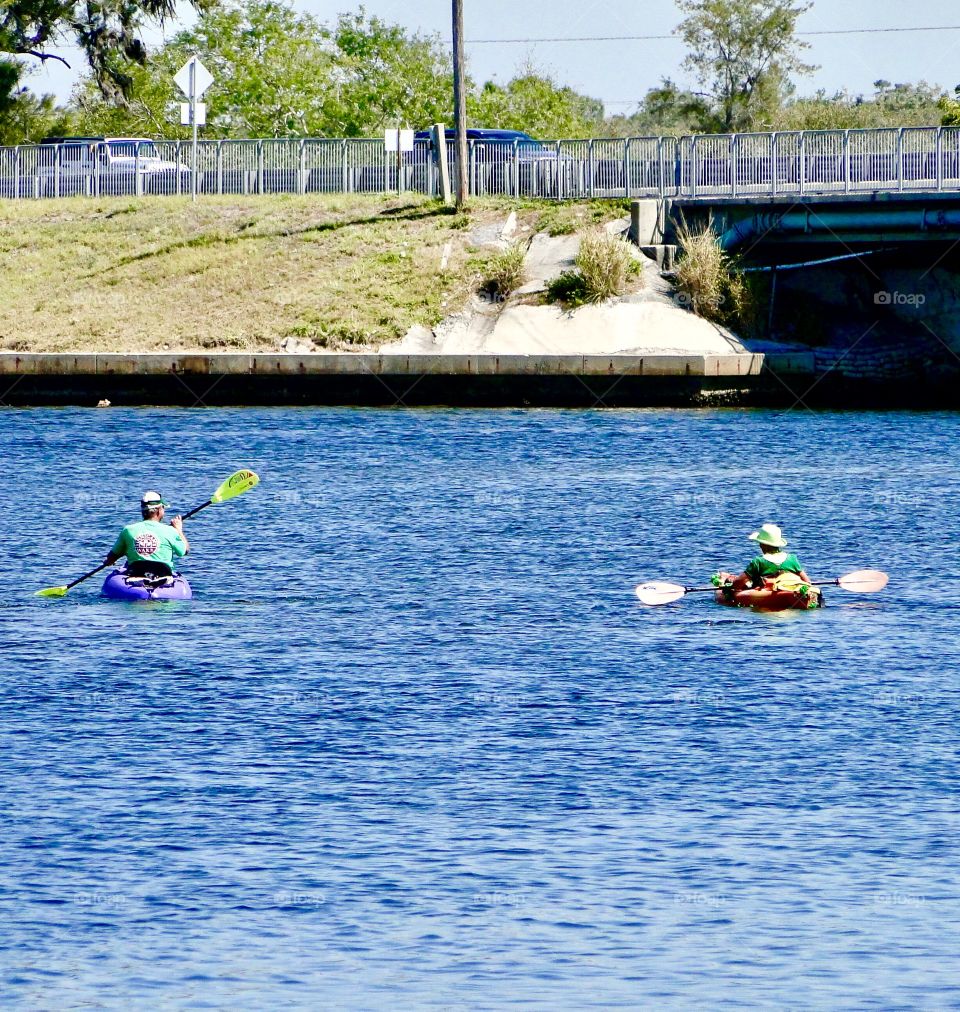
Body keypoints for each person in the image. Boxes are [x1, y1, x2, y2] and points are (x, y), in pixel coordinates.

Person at [105, 491, 190, 578]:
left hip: (136, 574)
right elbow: (184, 551)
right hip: (163, 575)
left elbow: (111, 557)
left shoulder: (128, 530)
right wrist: (178, 530)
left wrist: (110, 560)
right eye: (163, 508)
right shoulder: (170, 531)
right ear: (159, 510)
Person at [727, 523, 811, 592]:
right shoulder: (792, 559)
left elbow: (738, 584)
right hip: (790, 591)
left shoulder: (758, 561)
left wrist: (730, 582)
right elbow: (807, 582)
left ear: (763, 545)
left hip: (767, 594)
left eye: (760, 543)